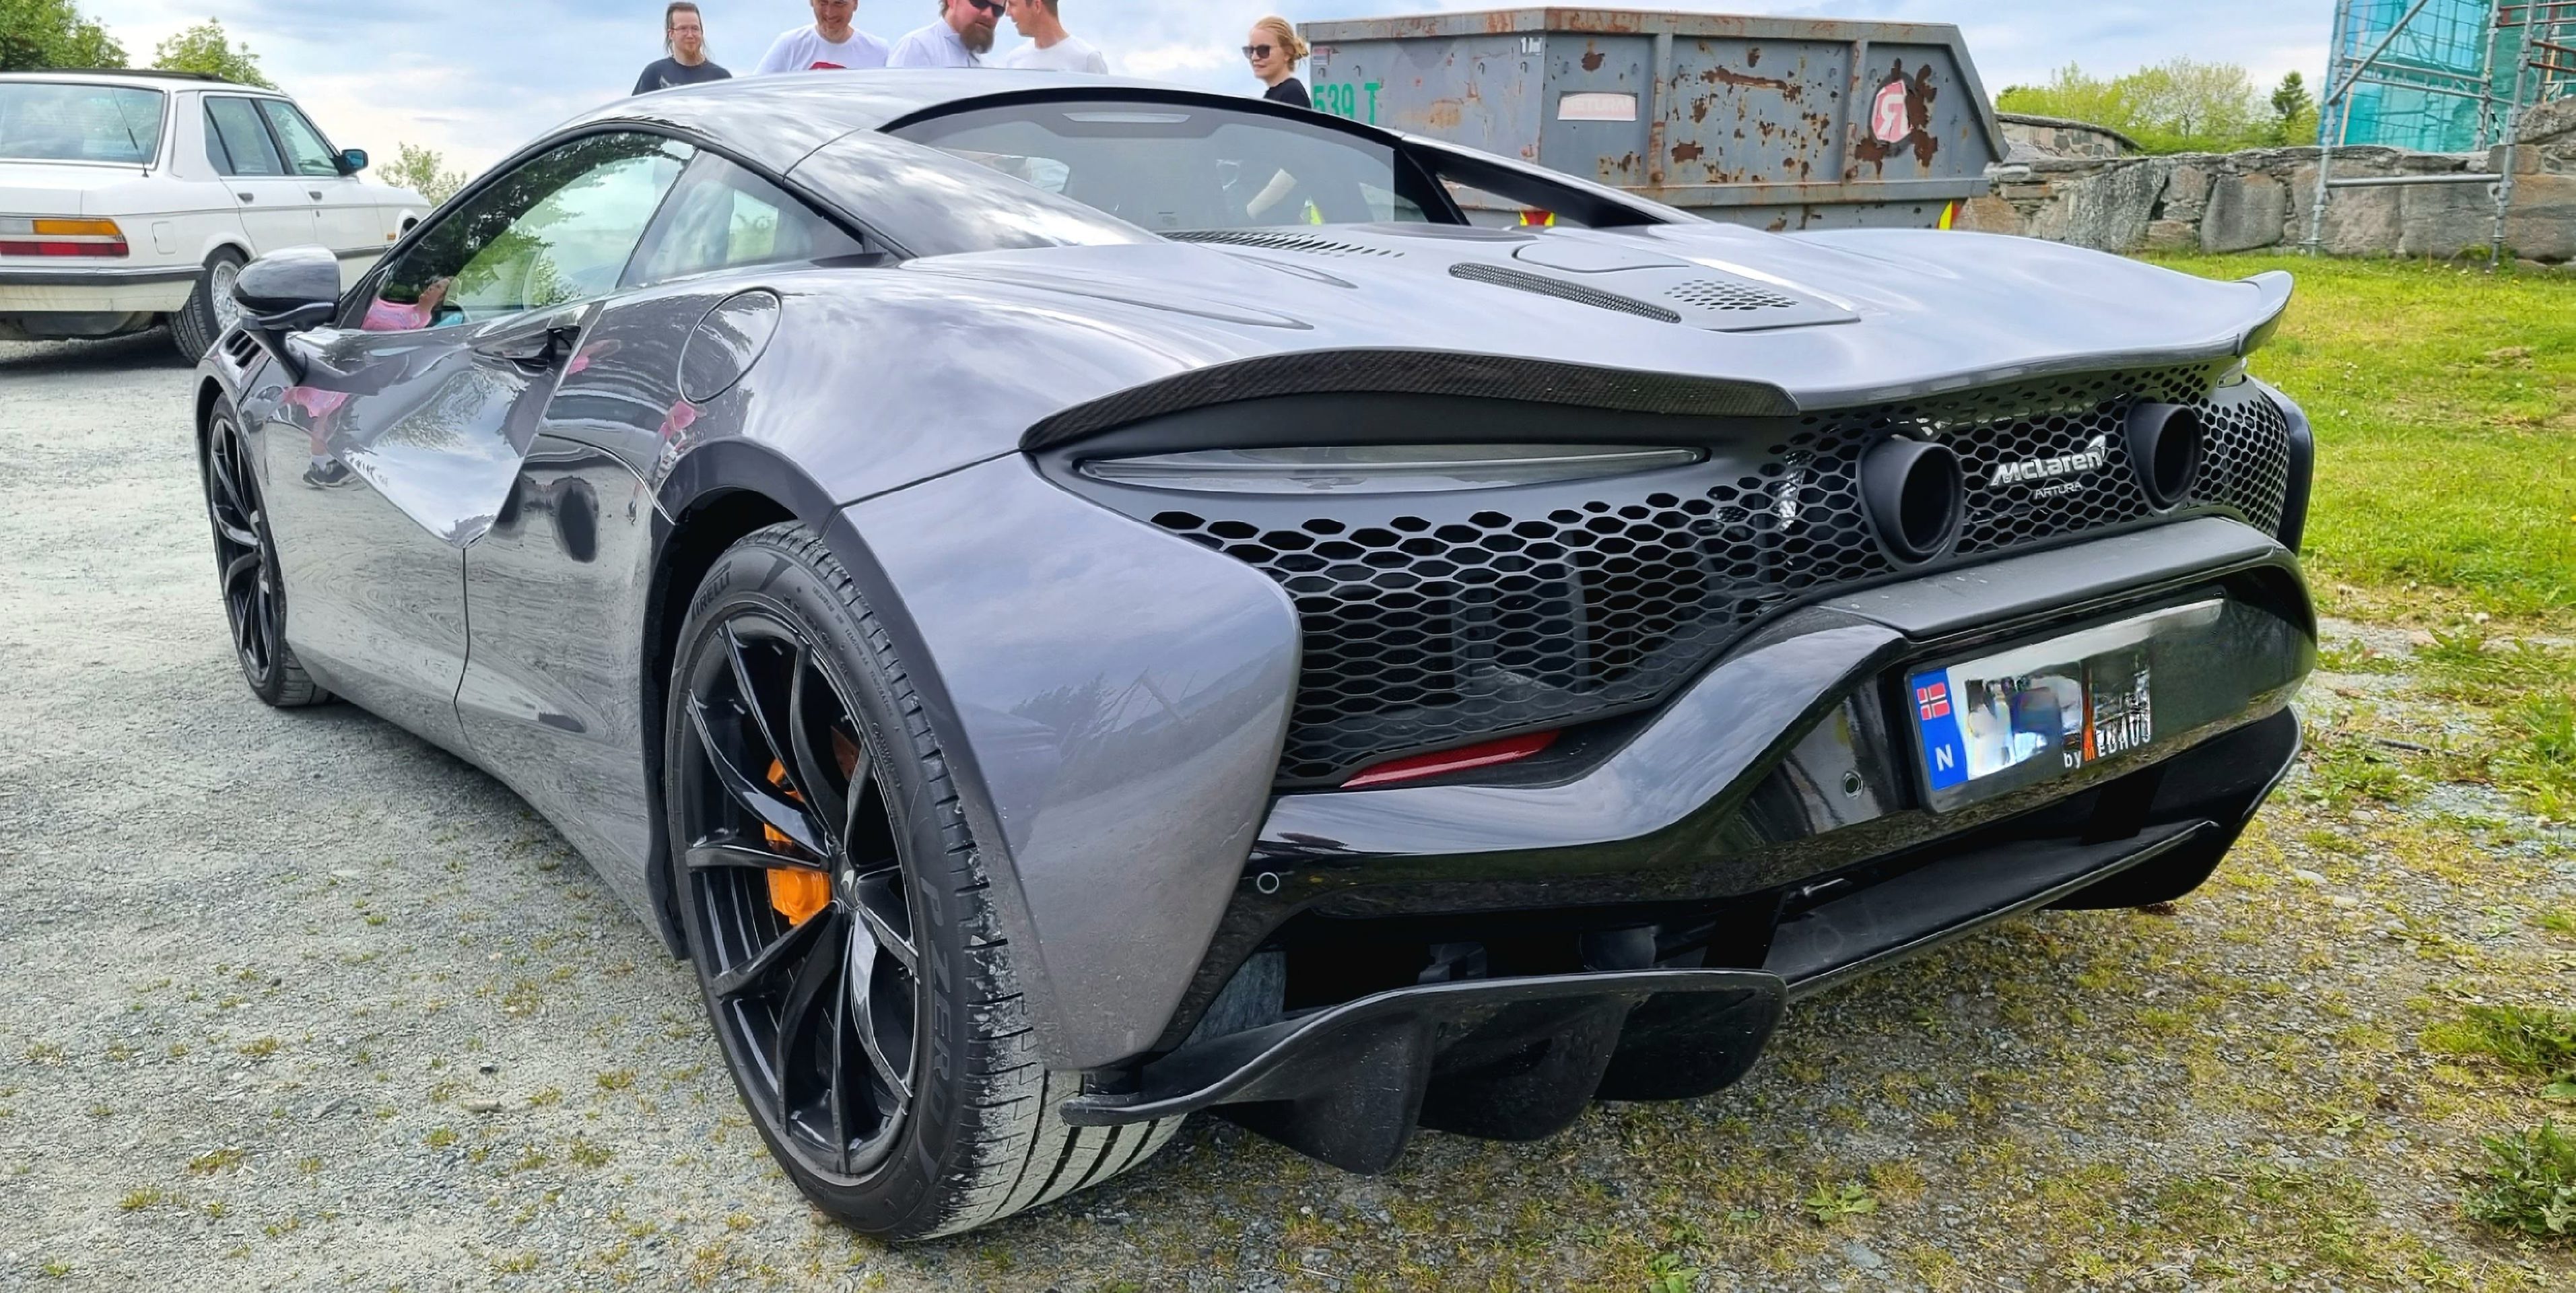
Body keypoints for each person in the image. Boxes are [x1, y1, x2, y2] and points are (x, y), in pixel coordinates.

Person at [753, 0, 890, 73]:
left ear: (855, 4)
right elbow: (757, 94)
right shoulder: (790, 44)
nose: (830, 13)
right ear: (811, 2)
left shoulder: (879, 51)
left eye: (839, 3)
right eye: (823, 2)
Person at [633, 2, 731, 94]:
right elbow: (638, 107)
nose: (690, 35)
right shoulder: (654, 74)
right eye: (683, 29)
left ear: (702, 32)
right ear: (671, 34)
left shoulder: (721, 78)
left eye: (695, 28)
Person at [1000, 0, 1108, 73]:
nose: (1007, 13)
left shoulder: (1088, 60)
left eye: (1012, 4)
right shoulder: (1014, 60)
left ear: (1037, 6)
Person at [887, 0, 1001, 68]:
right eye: (980, 3)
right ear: (952, 1)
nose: (989, 14)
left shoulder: (987, 68)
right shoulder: (918, 47)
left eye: (998, 10)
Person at [1245, 15, 1310, 108]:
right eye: (1250, 51)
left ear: (1287, 53)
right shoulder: (1275, 95)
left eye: (1264, 50)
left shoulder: (1292, 94)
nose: (1254, 57)